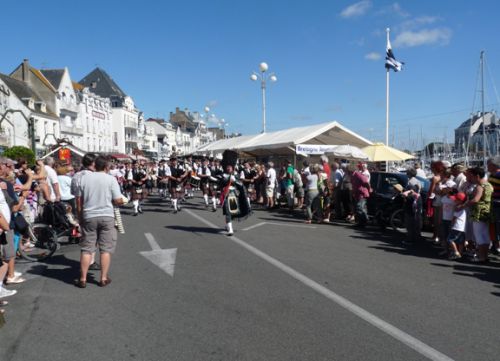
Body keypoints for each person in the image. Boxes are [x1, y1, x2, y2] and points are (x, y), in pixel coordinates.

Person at [75, 156, 124, 288]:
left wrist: (80, 216)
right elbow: (118, 199)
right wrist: (122, 201)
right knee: (105, 249)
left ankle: (83, 278)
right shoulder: (110, 179)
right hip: (106, 215)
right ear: (106, 167)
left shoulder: (83, 178)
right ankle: (103, 278)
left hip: (89, 215)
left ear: (94, 166)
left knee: (87, 249)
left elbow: (78, 200)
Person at [460, 167, 493, 263]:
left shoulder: (480, 186)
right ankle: (485, 256)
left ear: (477, 176)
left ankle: (481, 256)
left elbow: (475, 199)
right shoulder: (489, 185)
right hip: (487, 211)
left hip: (478, 212)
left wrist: (464, 204)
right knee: (485, 235)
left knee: (479, 236)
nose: (472, 179)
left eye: (473, 177)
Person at [447, 192, 467, 260]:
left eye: (456, 200)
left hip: (456, 227)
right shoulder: (463, 209)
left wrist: (451, 225)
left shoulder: (458, 208)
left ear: (460, 201)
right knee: (460, 241)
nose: (454, 201)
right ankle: (460, 254)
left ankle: (456, 252)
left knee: (450, 240)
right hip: (462, 228)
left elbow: (454, 218)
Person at [487, 156, 500, 255]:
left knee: (498, 225)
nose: (487, 166)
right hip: (493, 203)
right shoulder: (491, 175)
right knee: (493, 225)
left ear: (493, 165)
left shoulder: (498, 175)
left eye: (488, 164)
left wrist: (491, 194)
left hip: (497, 204)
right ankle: (496, 245)